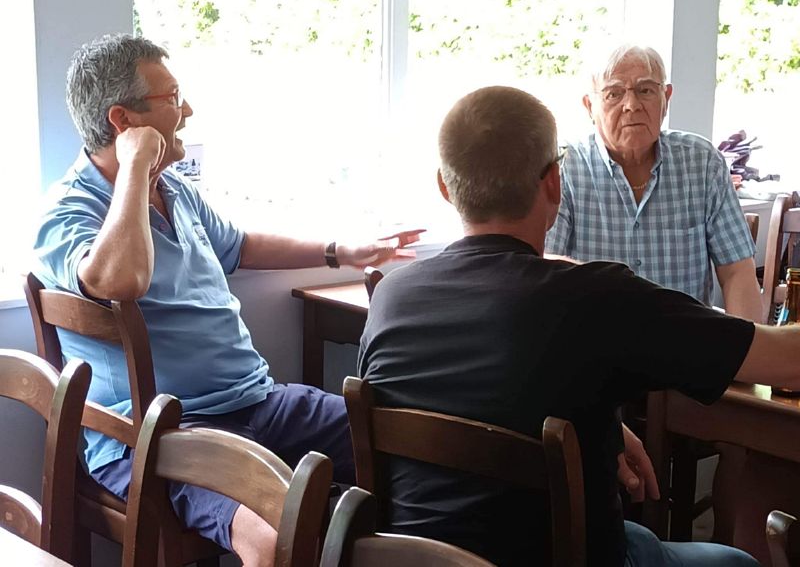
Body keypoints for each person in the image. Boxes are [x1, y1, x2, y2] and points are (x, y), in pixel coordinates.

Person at [357, 85, 800, 566]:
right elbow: (787, 363)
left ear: (445, 186)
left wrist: (605, 428)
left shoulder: (391, 295)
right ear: (554, 183)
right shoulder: (597, 298)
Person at [33, 33, 423, 567]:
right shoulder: (65, 212)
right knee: (271, 539)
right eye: (173, 99)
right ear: (122, 122)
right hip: (160, 435)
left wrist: (339, 251)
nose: (188, 111)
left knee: (406, 444)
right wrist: (136, 169)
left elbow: (241, 245)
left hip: (257, 401)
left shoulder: (176, 190)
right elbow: (120, 280)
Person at [544, 44, 762, 322]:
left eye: (645, 90)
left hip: (686, 340)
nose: (632, 105)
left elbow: (737, 272)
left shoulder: (703, 162)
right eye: (614, 93)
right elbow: (546, 267)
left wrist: (746, 346)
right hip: (597, 341)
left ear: (666, 98)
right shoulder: (565, 168)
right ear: (590, 106)